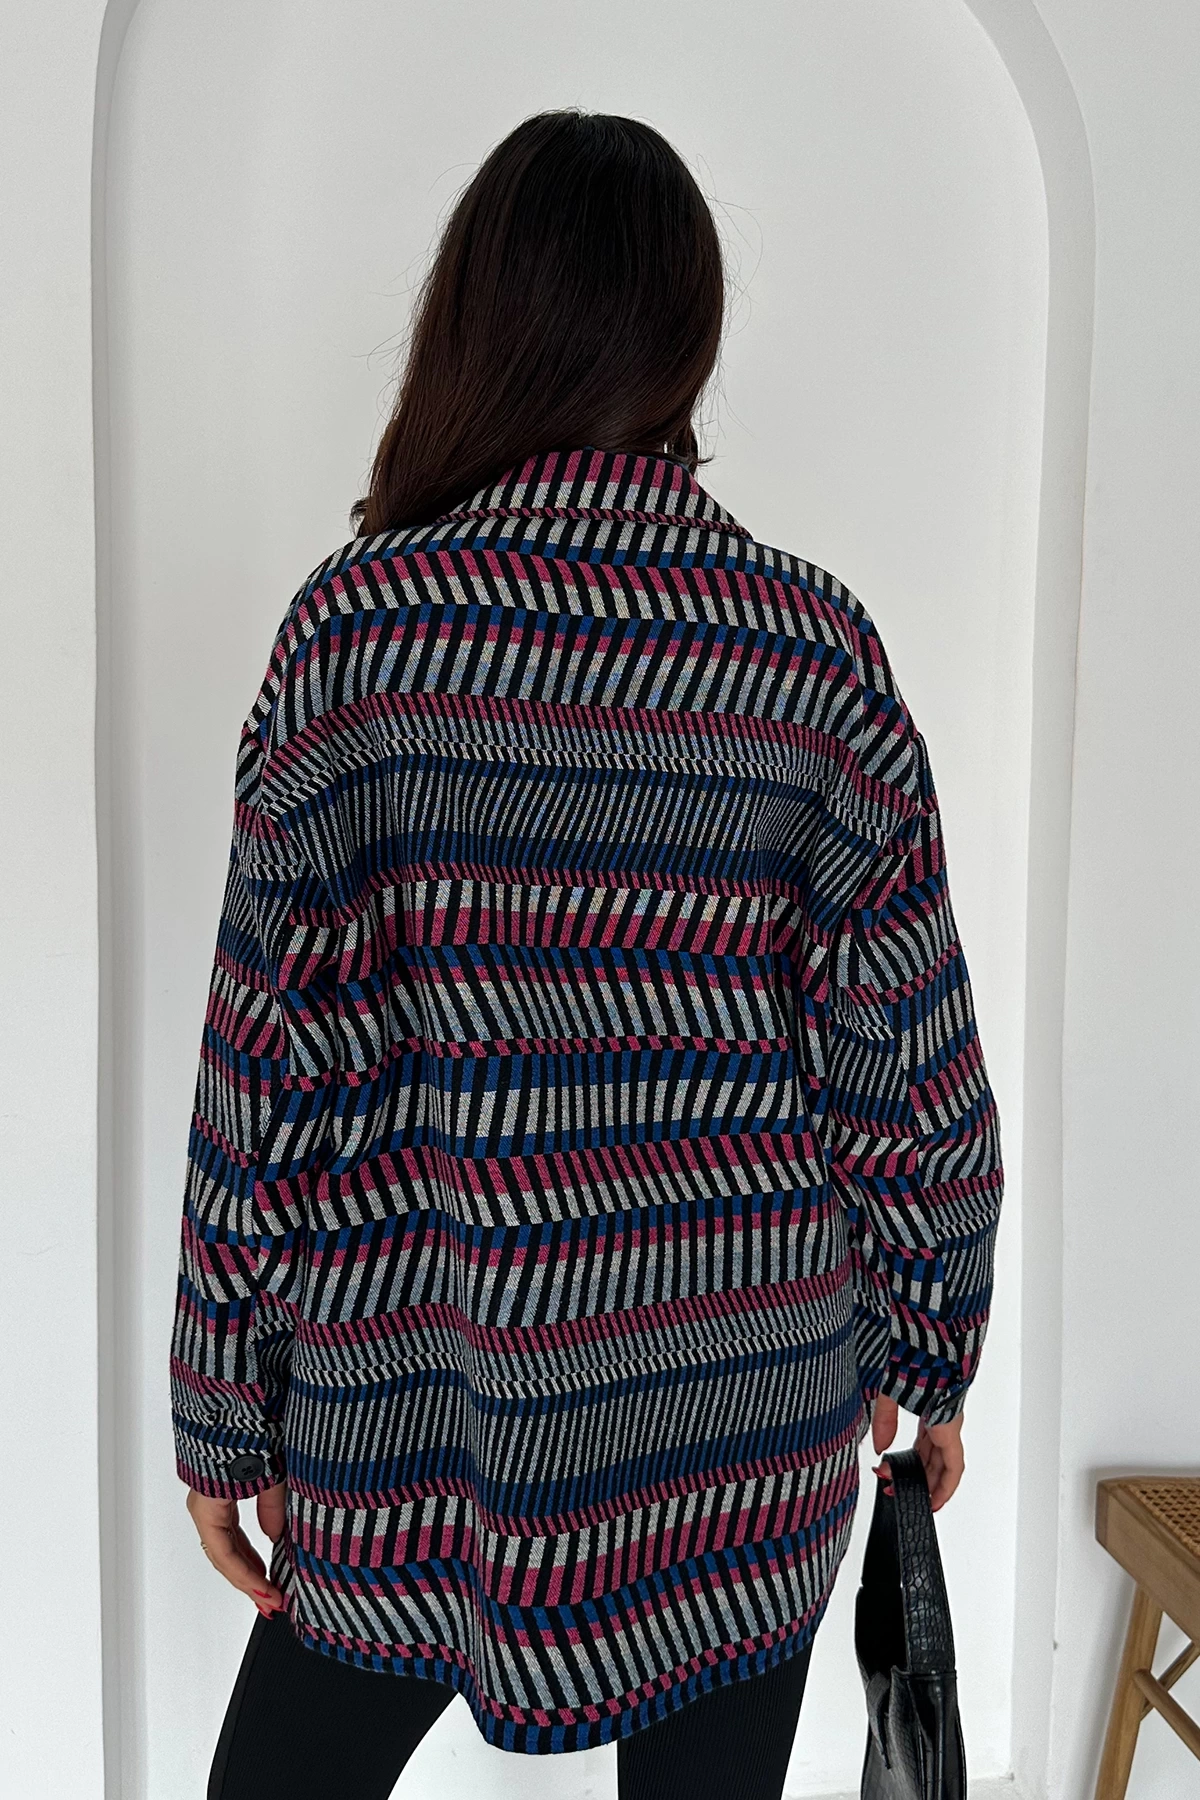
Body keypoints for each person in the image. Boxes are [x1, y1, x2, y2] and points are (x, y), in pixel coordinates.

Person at [170, 108, 1003, 1800]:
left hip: (413, 1403)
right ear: (689, 333)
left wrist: (222, 1408)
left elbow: (264, 1072)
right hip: (743, 1406)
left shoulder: (357, 642)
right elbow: (907, 1051)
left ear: (472, 317)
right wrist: (927, 1351)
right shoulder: (809, 652)